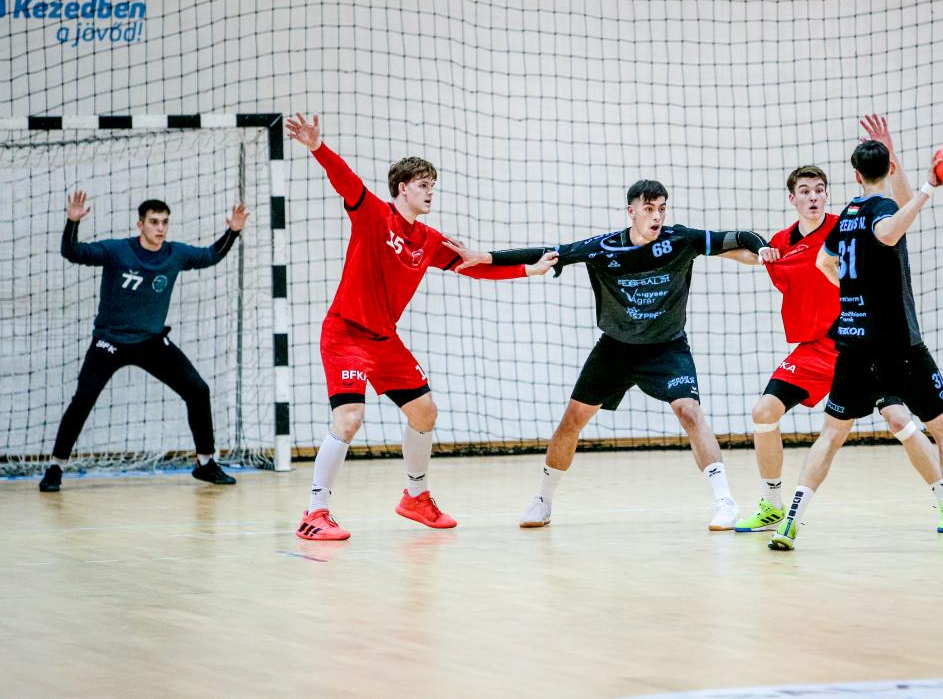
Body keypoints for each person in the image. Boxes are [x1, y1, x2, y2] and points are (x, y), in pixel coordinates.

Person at [285, 114, 556, 541]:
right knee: (350, 419)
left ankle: (415, 498)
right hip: (346, 334)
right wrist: (317, 147)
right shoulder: (373, 214)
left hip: (384, 341)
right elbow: (346, 181)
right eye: (423, 185)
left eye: (433, 186)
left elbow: (473, 266)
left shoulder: (428, 239)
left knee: (424, 411)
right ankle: (315, 512)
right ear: (402, 189)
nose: (430, 192)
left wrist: (527, 270)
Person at [476, 180, 768, 530]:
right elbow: (546, 252)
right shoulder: (603, 248)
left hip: (666, 347)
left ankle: (724, 501)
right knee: (571, 421)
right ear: (632, 212)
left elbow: (737, 237)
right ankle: (543, 500)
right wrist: (487, 258)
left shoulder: (681, 239)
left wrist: (763, 249)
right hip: (615, 349)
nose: (657, 216)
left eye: (662, 209)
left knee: (690, 412)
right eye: (649, 209)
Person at [768, 135, 943, 553]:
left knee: (831, 435)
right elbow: (890, 232)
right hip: (898, 346)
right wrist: (930, 186)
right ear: (887, 171)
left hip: (853, 345)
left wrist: (850, 291)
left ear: (855, 175)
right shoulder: (881, 212)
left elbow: (824, 261)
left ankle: (790, 521)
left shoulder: (847, 216)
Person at [735, 116, 943, 536]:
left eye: (820, 190)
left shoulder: (848, 223)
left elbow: (900, 209)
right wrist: (752, 249)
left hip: (858, 343)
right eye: (805, 191)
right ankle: (772, 506)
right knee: (764, 411)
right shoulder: (782, 242)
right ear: (792, 198)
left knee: (899, 420)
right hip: (814, 349)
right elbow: (747, 255)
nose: (814, 197)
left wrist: (891, 160)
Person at [39, 192, 248, 491]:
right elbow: (72, 252)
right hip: (110, 341)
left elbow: (210, 256)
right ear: (140, 225)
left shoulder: (175, 254)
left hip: (151, 341)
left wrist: (233, 231)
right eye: (154, 222)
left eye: (164, 222)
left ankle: (205, 463)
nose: (160, 228)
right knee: (83, 399)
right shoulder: (118, 251)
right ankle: (55, 467)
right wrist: (72, 222)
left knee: (198, 390)